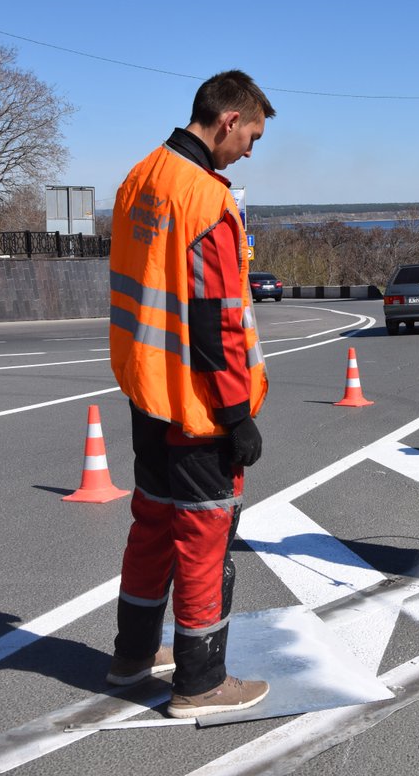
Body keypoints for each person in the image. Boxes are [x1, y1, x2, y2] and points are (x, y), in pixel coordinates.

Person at [106, 69, 275, 717]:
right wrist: (238, 415)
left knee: (151, 525)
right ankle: (201, 683)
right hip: (199, 406)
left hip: (146, 391)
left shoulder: (139, 178)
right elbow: (216, 320)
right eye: (252, 136)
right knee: (204, 537)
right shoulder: (205, 200)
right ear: (229, 120)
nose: (250, 151)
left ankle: (134, 652)